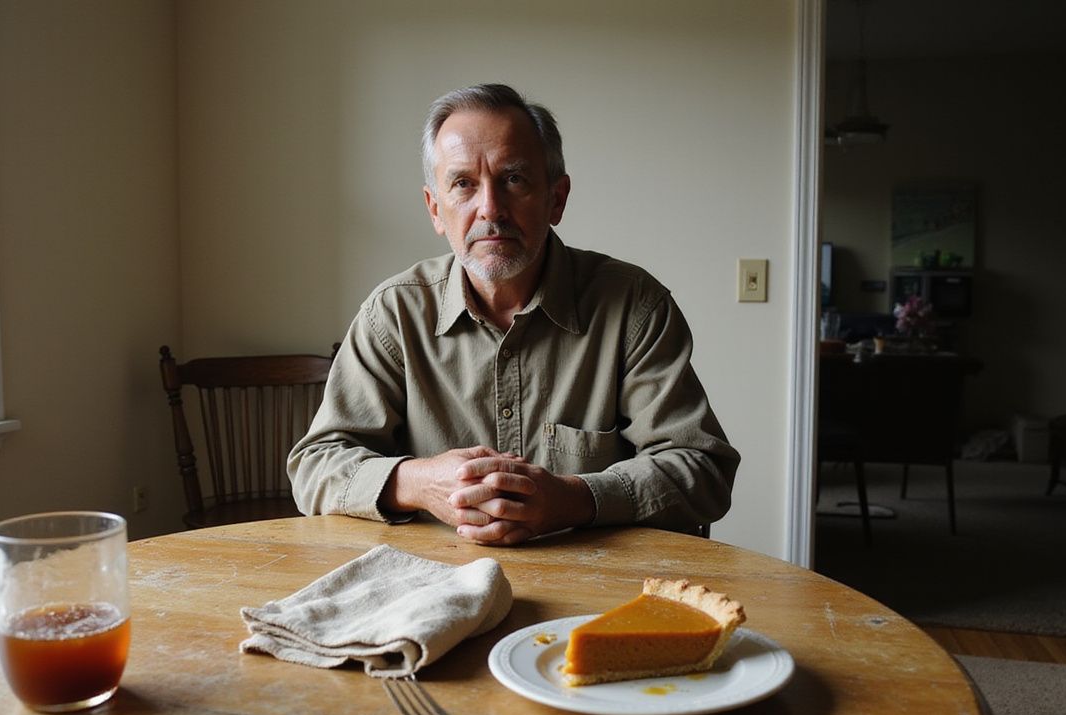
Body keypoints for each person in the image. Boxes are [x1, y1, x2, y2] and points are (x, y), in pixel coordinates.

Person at [288, 83, 739, 546]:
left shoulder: (634, 307)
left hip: (601, 588)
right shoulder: (394, 314)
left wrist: (574, 498)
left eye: (514, 179)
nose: (490, 209)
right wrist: (422, 483)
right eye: (463, 184)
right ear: (435, 210)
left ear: (556, 199)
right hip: (431, 581)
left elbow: (702, 469)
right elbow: (316, 464)